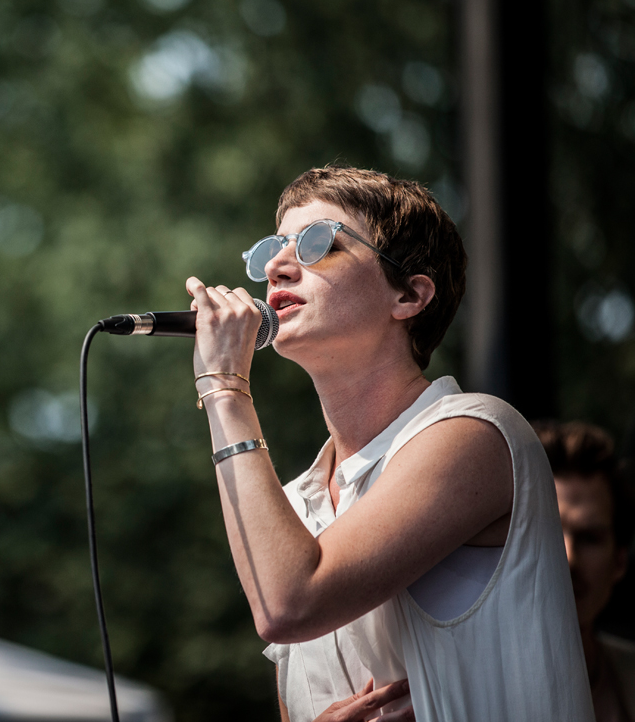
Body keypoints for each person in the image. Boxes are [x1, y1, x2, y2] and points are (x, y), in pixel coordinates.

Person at [186, 166, 593, 721]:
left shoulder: (475, 432)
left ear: (408, 294)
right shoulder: (294, 502)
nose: (278, 267)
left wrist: (225, 389)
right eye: (272, 249)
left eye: (316, 244)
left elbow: (289, 603)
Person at [536, 420, 635, 721]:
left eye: (590, 538)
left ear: (619, 562)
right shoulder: (448, 688)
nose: (568, 558)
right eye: (547, 533)